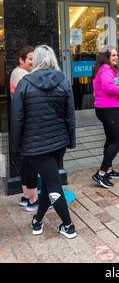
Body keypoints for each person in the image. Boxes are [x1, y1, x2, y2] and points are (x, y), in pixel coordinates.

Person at [11, 45, 77, 238]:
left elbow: (17, 118)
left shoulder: (25, 82)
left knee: (53, 185)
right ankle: (38, 220)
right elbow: (70, 115)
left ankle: (68, 226)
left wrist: (16, 145)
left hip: (35, 145)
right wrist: (71, 141)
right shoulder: (63, 81)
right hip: (58, 143)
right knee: (49, 182)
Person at [10, 45, 40, 212]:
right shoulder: (22, 76)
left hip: (23, 124)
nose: (33, 62)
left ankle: (25, 196)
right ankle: (32, 200)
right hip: (28, 125)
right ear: (21, 60)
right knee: (31, 163)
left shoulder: (18, 73)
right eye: (30, 59)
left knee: (26, 162)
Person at [92, 47, 119, 189]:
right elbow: (109, 87)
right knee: (117, 140)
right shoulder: (106, 69)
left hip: (107, 108)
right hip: (109, 109)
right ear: (105, 56)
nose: (116, 57)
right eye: (113, 55)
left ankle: (109, 170)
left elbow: (112, 84)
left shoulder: (107, 69)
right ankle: (101, 173)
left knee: (111, 139)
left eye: (117, 55)